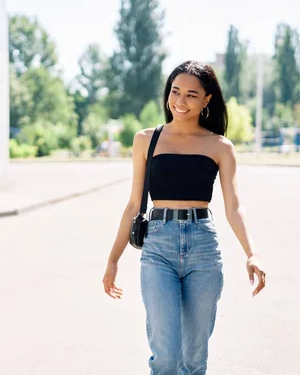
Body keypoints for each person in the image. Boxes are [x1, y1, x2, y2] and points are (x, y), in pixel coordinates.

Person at [102, 60, 266, 374]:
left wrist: (251, 253)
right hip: (158, 247)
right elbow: (134, 204)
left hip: (203, 248)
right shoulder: (146, 140)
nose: (180, 100)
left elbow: (234, 206)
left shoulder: (220, 146)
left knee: (194, 357)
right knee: (165, 357)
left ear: (207, 100)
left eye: (191, 95)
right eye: (175, 91)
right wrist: (113, 259)